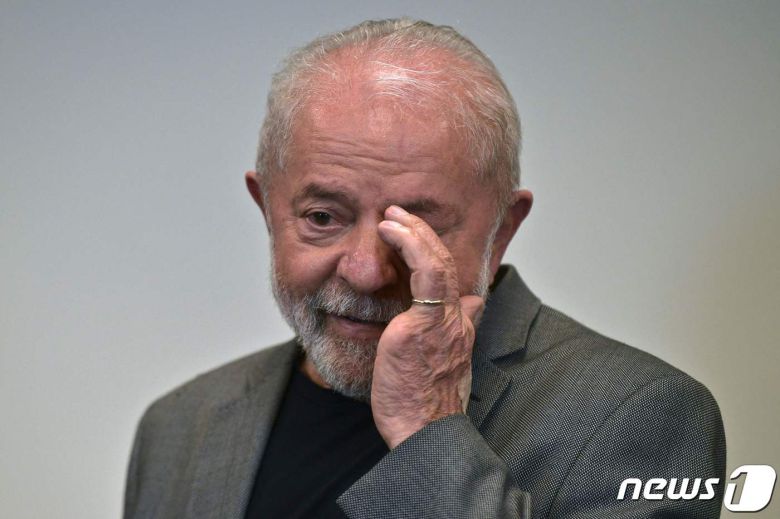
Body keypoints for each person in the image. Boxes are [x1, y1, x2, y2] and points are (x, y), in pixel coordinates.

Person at [123, 18, 726, 519]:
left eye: (415, 226)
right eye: (322, 217)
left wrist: (427, 430)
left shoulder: (642, 414)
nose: (365, 271)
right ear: (267, 211)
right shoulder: (180, 426)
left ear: (501, 230)